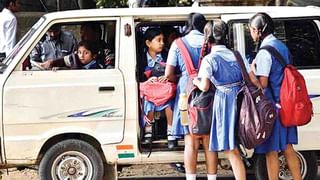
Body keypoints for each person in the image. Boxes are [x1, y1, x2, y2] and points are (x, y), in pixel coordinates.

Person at [249, 12, 302, 180]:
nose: (251, 33)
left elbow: (262, 84)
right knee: (288, 147)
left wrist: (251, 73)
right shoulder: (281, 46)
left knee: (271, 151)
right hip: (286, 104)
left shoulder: (265, 52)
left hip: (273, 108)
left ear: (258, 30)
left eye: (251, 29)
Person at [193, 19, 248, 180]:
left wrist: (195, 81)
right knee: (234, 147)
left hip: (224, 102)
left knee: (231, 149)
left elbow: (204, 86)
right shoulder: (237, 55)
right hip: (241, 100)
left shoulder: (209, 59)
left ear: (207, 38)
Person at [165, 13, 217, 180]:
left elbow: (168, 74)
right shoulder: (211, 43)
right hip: (209, 94)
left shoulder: (177, 44)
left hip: (185, 96)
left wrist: (183, 78)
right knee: (209, 142)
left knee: (190, 141)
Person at [140, 27, 175, 149]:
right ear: (148, 43)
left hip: (165, 90)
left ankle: (171, 133)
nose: (162, 43)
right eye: (158, 40)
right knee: (147, 102)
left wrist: (167, 77)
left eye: (163, 40)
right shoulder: (141, 58)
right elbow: (138, 76)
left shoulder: (167, 55)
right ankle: (148, 131)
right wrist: (148, 80)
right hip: (149, 90)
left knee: (170, 103)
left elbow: (174, 71)